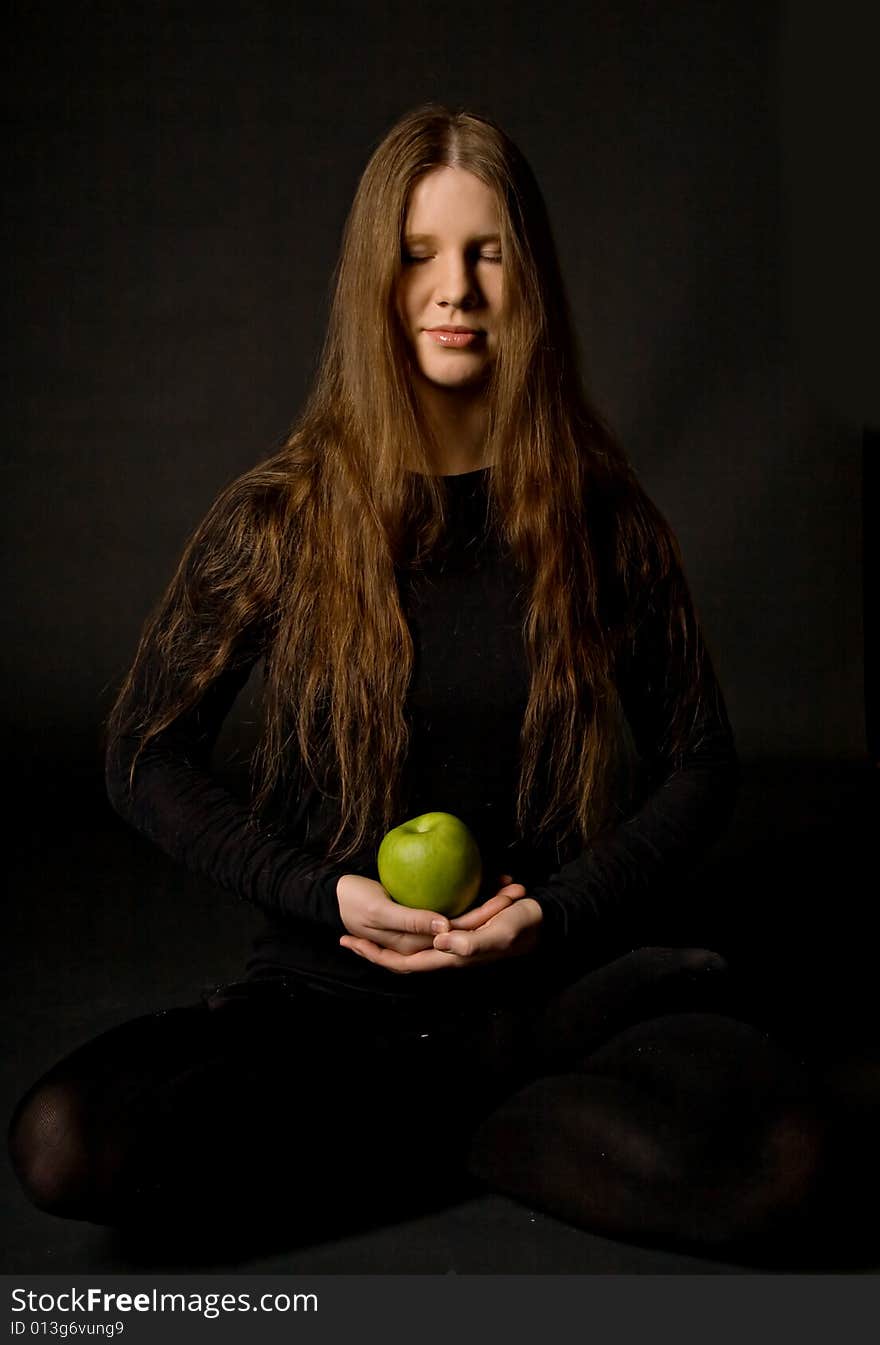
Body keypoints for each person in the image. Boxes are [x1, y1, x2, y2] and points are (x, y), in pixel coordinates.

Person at [8, 104, 823, 1260]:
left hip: (555, 988)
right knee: (64, 1142)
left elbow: (701, 763)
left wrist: (554, 912)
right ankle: (456, 1112)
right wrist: (320, 894)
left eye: (485, 252)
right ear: (373, 284)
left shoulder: (605, 519)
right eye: (419, 254)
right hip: (334, 1002)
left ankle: (435, 1117)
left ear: (526, 277)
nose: (455, 290)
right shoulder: (280, 516)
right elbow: (142, 752)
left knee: (784, 1158)